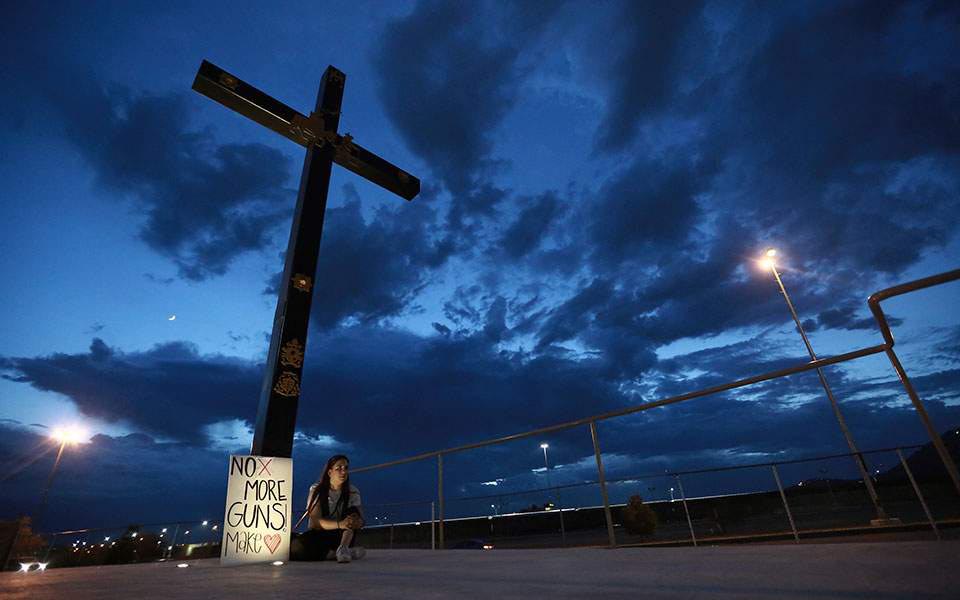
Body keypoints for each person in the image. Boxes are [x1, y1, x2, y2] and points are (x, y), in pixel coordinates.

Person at [290, 454, 366, 563]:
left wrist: (358, 522)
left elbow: (362, 519)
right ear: (329, 472)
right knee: (296, 548)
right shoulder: (317, 489)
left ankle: (343, 548)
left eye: (346, 468)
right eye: (339, 468)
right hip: (321, 533)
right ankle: (338, 553)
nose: (343, 471)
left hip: (342, 535)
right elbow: (316, 522)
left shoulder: (353, 491)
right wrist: (341, 524)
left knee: (353, 512)